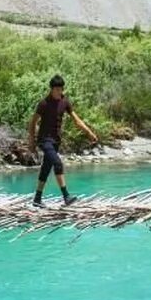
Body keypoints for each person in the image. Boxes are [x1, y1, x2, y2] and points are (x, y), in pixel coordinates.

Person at [28, 74, 98, 207]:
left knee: (46, 168)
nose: (60, 92)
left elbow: (76, 120)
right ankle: (66, 196)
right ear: (51, 89)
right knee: (57, 163)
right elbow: (32, 123)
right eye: (57, 89)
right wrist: (31, 141)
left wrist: (89, 133)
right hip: (44, 140)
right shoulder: (44, 103)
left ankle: (37, 199)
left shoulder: (65, 102)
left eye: (61, 89)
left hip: (56, 141)